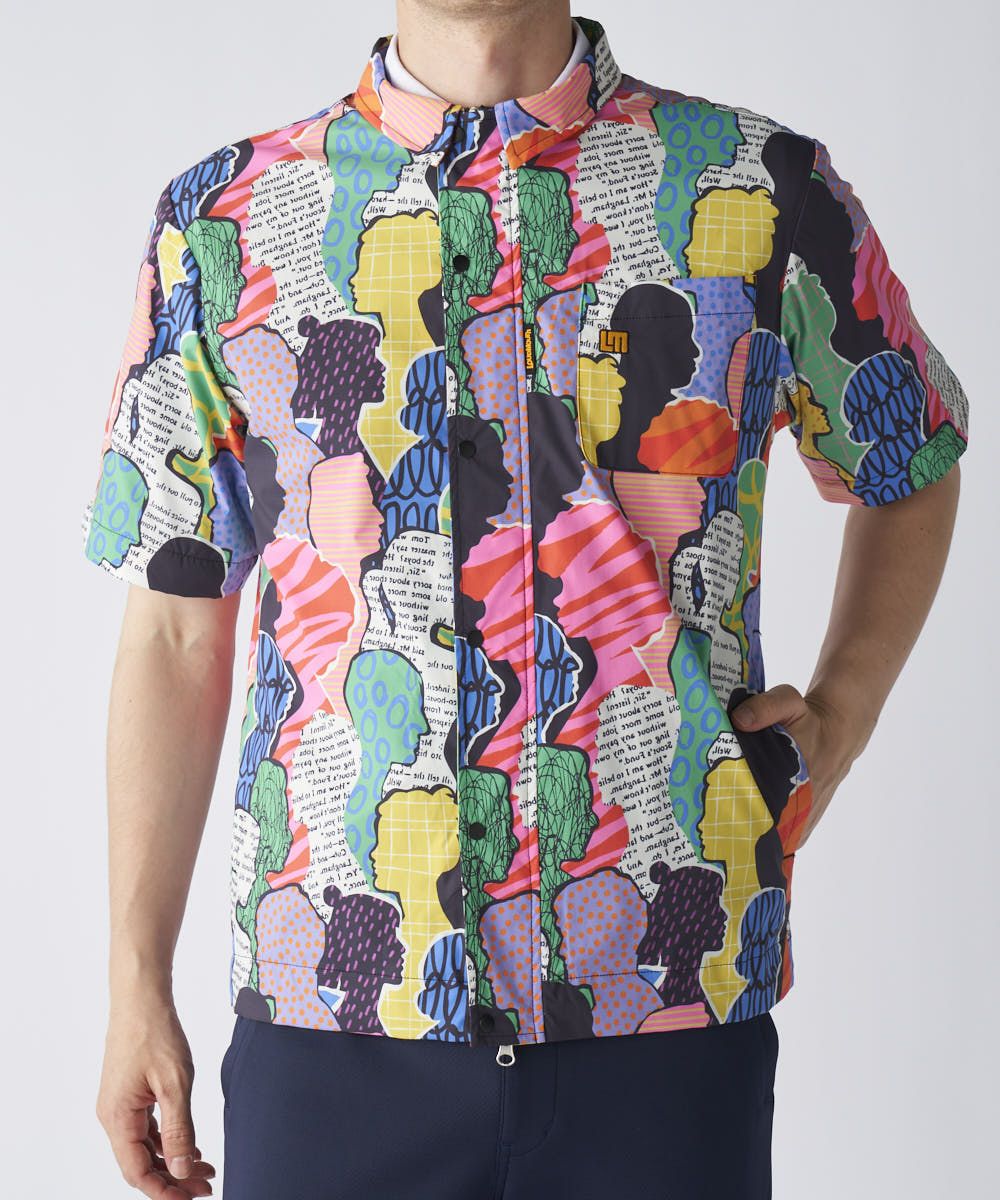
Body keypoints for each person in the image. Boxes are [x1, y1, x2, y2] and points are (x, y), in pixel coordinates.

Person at [83, 2, 967, 1197]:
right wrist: (134, 980)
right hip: (334, 1009)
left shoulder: (761, 188)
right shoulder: (222, 221)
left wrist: (843, 712)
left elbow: (908, 454)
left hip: (663, 994)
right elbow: (176, 625)